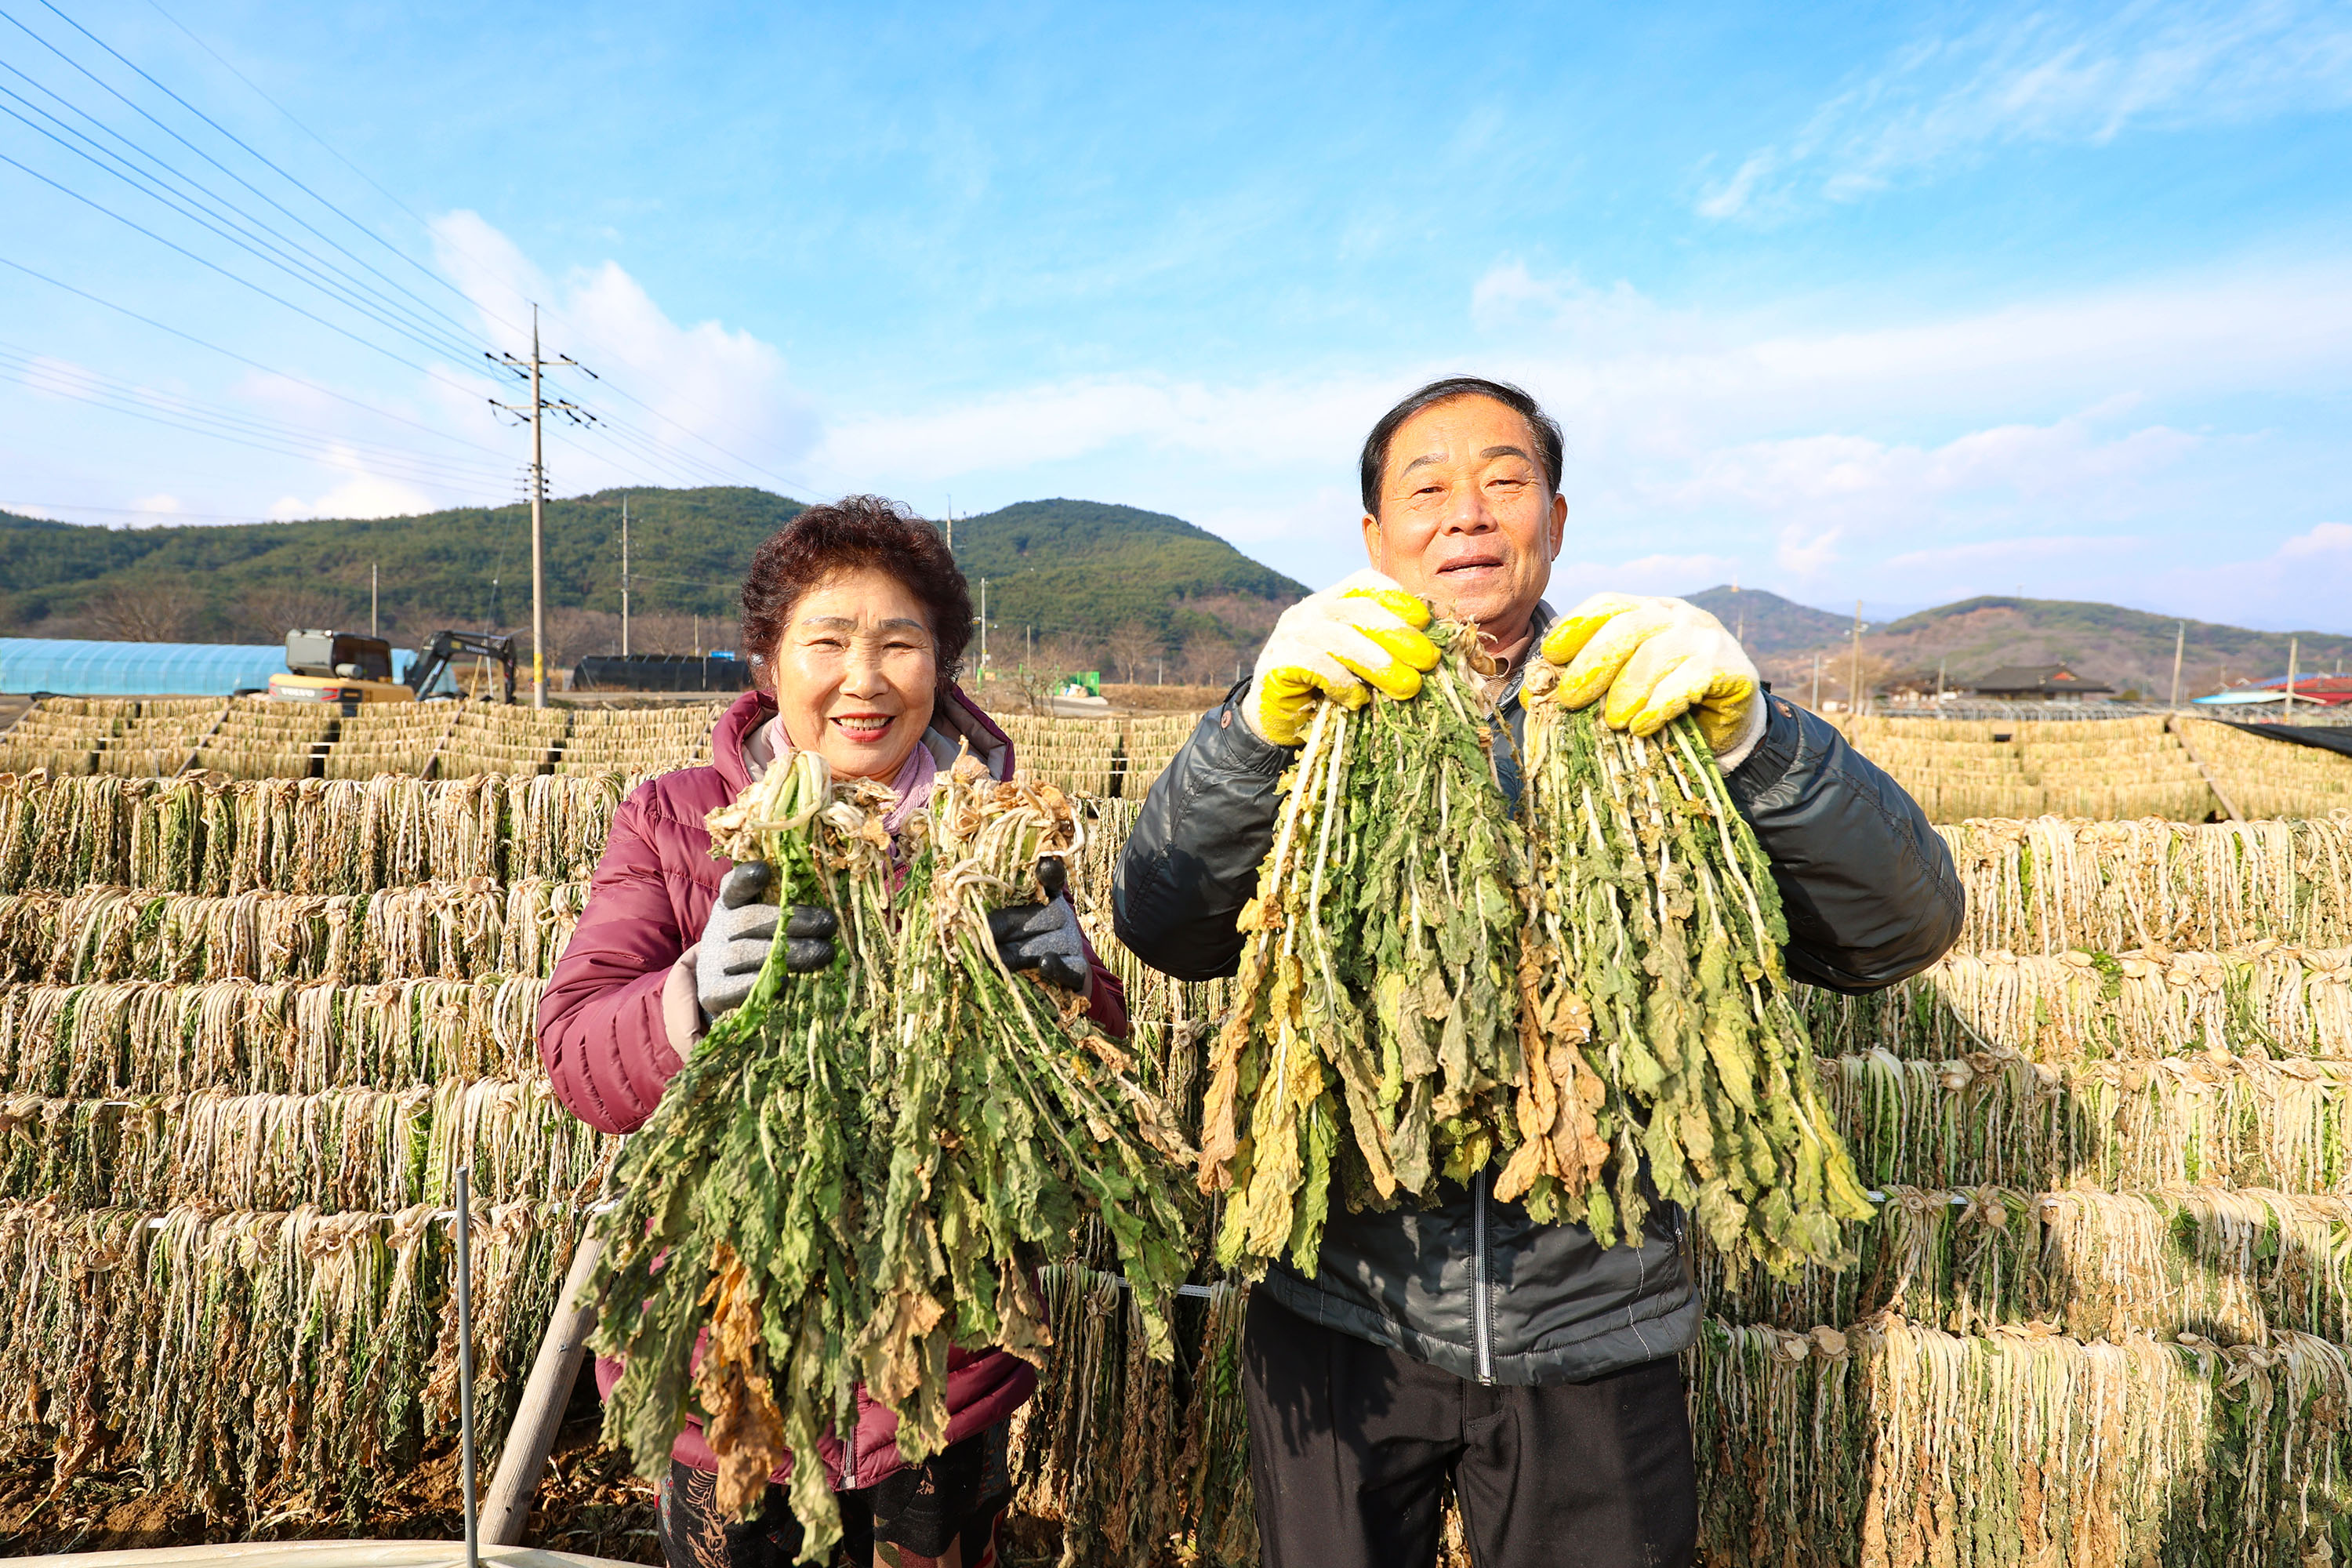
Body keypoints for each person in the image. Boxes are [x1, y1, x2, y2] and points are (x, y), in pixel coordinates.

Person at [1114, 376, 1962, 1568]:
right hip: (1343, 1310)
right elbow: (1160, 923)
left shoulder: (1647, 712)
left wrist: (1758, 737)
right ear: (1374, 539)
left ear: (1554, 522)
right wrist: (1250, 734)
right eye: (1428, 489)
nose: (1467, 512)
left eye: (1503, 481)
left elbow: (1903, 928)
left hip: (1595, 1324)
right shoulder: (1313, 711)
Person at [540, 494, 1127, 1568]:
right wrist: (691, 994)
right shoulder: (674, 820)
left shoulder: (991, 830)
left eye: (900, 644)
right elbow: (579, 1051)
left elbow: (1089, 1082)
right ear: (768, 661)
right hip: (733, 1371)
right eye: (829, 642)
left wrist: (1074, 988)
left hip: (942, 1368)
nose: (864, 679)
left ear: (941, 666)